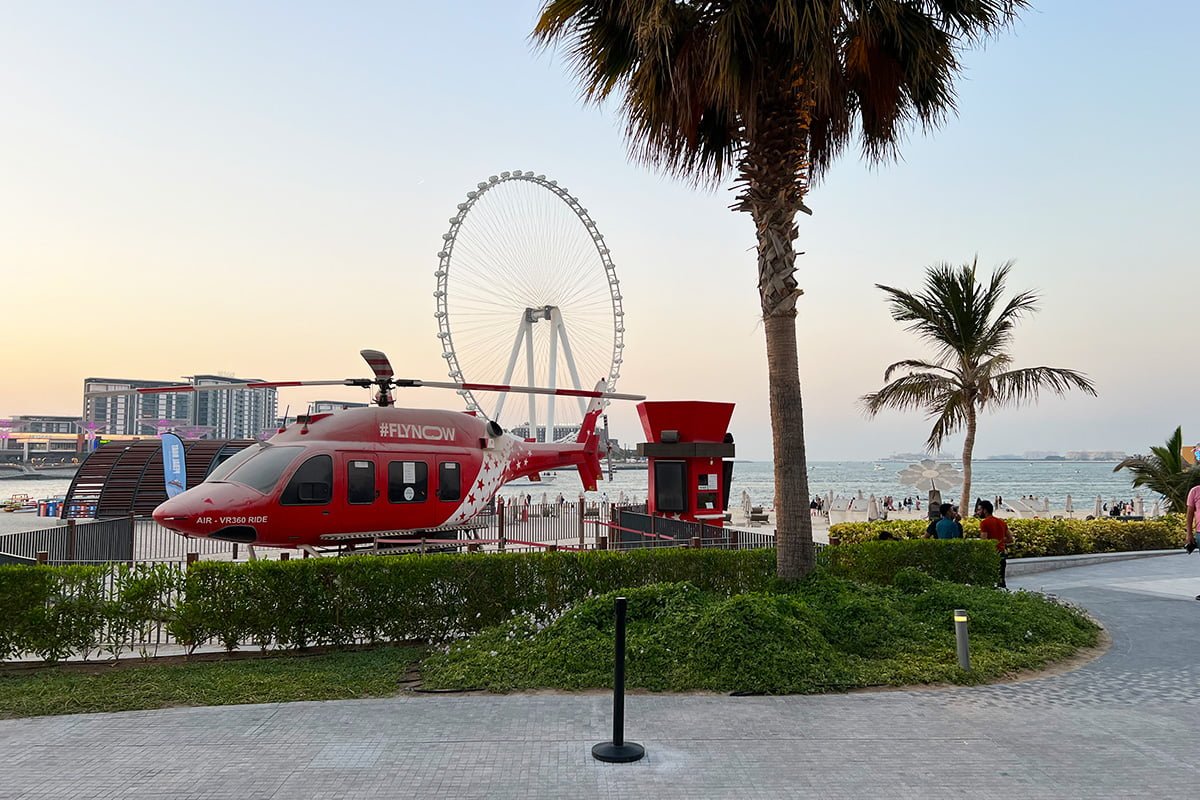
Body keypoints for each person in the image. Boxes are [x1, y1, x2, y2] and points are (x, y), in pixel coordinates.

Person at [977, 499, 1013, 588]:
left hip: (990, 554)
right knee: (1001, 579)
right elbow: (1010, 539)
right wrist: (999, 540)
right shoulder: (1001, 522)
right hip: (1001, 553)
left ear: (985, 510)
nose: (978, 512)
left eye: (979, 509)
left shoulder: (984, 523)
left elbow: (984, 542)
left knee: (989, 580)